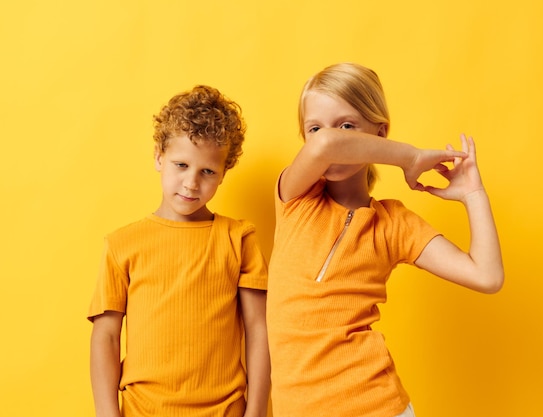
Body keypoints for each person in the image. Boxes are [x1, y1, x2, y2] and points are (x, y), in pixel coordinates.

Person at [266, 63, 504, 417]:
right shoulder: (294, 197)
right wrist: (409, 157)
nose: (327, 136)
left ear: (380, 133)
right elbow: (327, 147)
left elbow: (487, 276)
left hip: (377, 406)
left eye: (348, 125)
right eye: (313, 128)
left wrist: (473, 196)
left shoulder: (394, 224)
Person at [88, 85, 270, 417]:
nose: (191, 183)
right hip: (144, 411)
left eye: (208, 172)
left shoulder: (239, 238)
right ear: (159, 157)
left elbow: (259, 330)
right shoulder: (121, 244)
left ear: (223, 173)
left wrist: (256, 412)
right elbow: (106, 337)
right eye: (181, 165)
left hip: (226, 410)